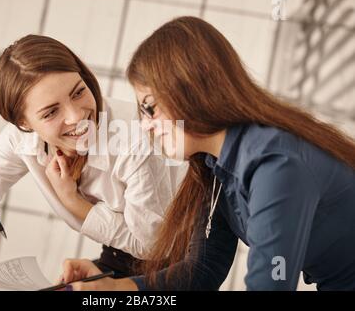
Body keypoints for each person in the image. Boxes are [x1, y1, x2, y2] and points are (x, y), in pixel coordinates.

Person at [59, 16, 355, 290]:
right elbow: (203, 269)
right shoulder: (215, 168)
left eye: (150, 108)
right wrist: (115, 287)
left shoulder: (275, 165)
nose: (146, 126)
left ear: (191, 89)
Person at [0, 35, 183, 278]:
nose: (76, 116)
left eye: (77, 93)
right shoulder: (21, 138)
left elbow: (154, 246)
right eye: (51, 112)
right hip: (121, 260)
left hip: (176, 268)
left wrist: (73, 202)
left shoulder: (135, 137)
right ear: (23, 122)